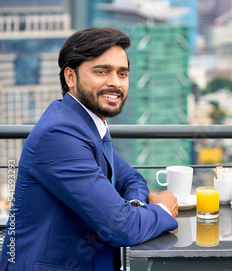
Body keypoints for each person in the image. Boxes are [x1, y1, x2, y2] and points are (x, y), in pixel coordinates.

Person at [0, 27, 179, 271]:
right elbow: (121, 228)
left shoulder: (87, 125)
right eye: (101, 72)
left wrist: (134, 209)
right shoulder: (60, 134)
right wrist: (162, 209)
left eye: (122, 73)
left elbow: (131, 179)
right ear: (70, 77)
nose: (115, 82)